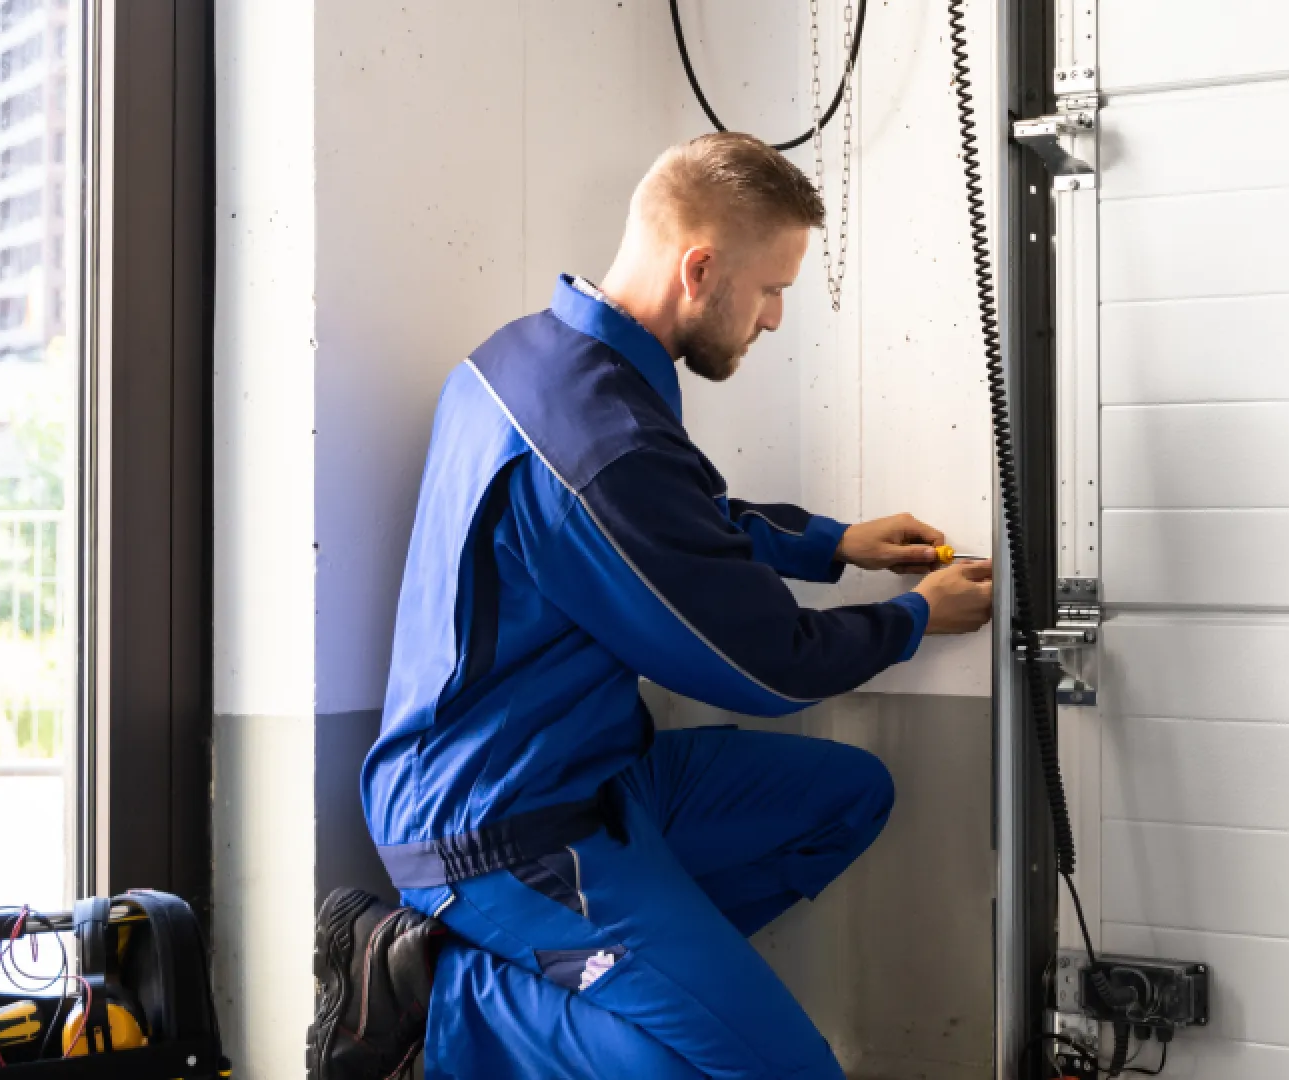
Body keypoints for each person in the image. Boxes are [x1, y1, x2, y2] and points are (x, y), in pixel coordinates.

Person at [306, 133, 994, 1080]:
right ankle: (447, 1001)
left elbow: (675, 525)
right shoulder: (600, 441)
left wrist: (829, 543)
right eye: (770, 289)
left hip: (594, 775)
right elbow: (769, 665)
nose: (778, 317)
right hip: (503, 825)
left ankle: (635, 990)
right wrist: (916, 617)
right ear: (701, 269)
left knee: (847, 798)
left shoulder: (528, 360)